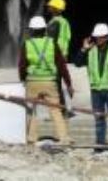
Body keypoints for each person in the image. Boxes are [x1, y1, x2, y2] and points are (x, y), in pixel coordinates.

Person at [19, 16, 72, 144]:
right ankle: (63, 137)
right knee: (55, 109)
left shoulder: (27, 44)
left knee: (32, 110)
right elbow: (61, 65)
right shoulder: (52, 43)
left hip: (33, 81)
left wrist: (23, 79)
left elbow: (22, 65)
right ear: (44, 30)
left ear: (31, 30)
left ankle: (32, 137)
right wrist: (68, 83)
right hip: (50, 82)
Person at [75, 23, 108, 146]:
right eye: (96, 37)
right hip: (96, 90)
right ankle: (100, 143)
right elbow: (78, 62)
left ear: (106, 37)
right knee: (99, 118)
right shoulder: (90, 51)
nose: (98, 39)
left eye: (100, 37)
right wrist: (84, 49)